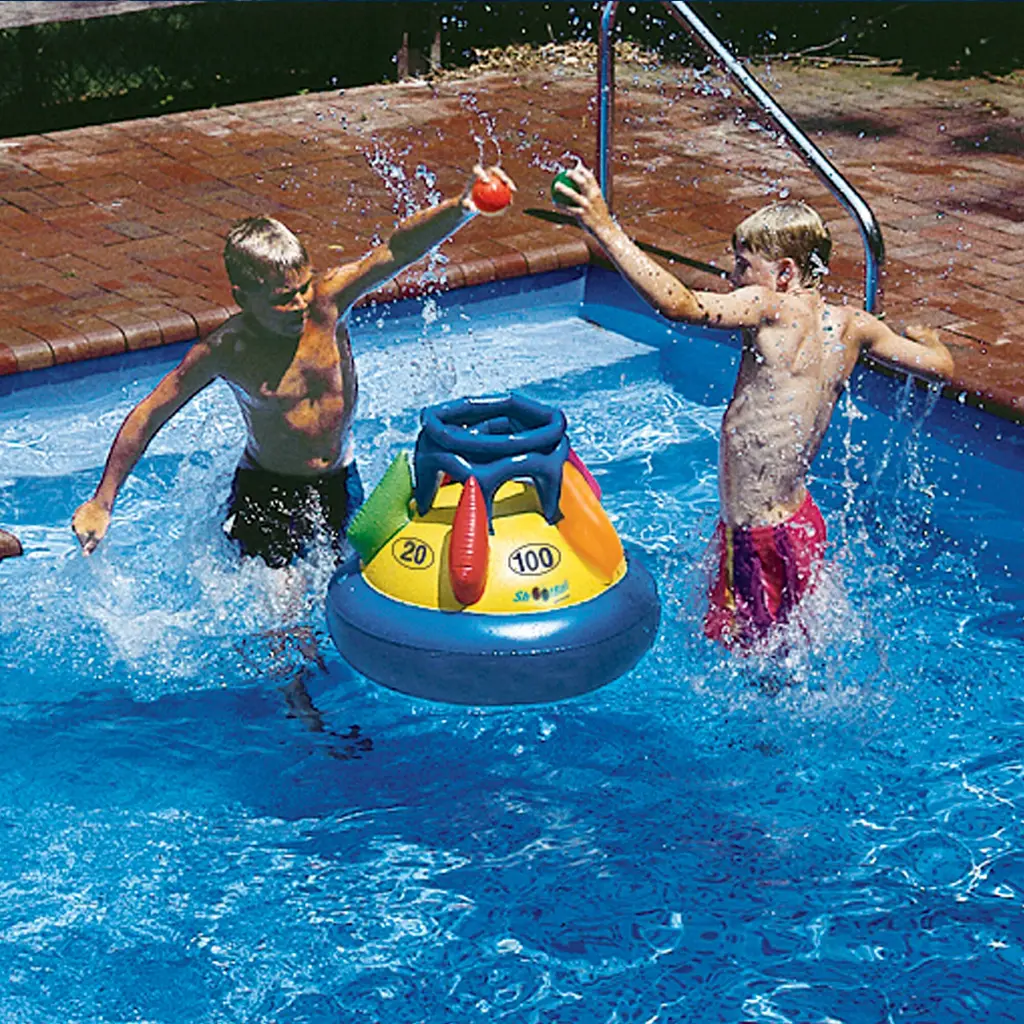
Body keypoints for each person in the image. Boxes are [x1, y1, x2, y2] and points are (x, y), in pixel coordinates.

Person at [554, 164, 953, 648]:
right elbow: (938, 368)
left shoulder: (769, 306)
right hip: (796, 523)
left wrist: (603, 227)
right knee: (781, 647)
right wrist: (930, 341)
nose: (733, 276)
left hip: (758, 534)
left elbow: (681, 304)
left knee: (748, 657)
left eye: (743, 265)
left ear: (784, 272)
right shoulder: (854, 325)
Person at [72, 165, 516, 567]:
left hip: (340, 481)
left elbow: (397, 249)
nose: (301, 303)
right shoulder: (227, 350)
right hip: (268, 491)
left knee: (354, 583)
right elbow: (151, 413)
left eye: (303, 287)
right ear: (243, 297)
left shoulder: (329, 303)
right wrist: (102, 502)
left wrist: (463, 207)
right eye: (283, 298)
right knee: (283, 613)